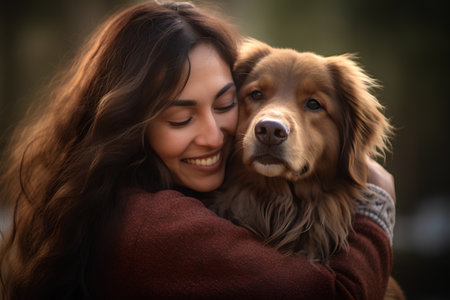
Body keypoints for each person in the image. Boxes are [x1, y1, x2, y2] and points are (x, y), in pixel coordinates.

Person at [0, 1, 396, 299]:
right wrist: (377, 205)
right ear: (128, 127)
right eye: (179, 117)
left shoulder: (179, 193)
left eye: (226, 105)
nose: (213, 135)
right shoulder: (154, 227)